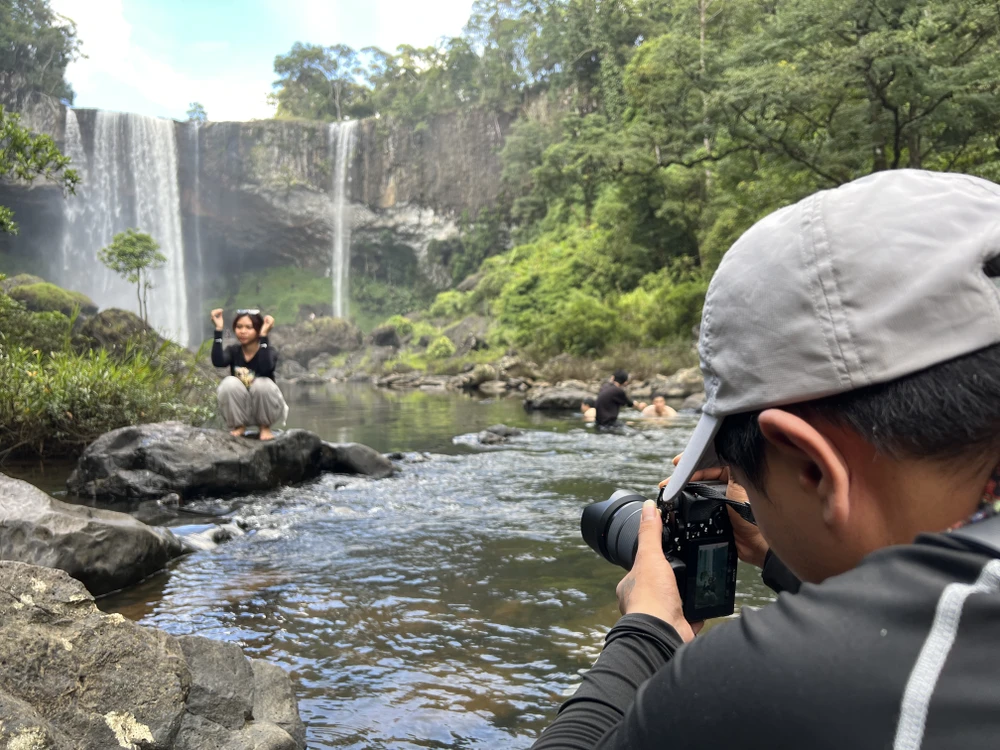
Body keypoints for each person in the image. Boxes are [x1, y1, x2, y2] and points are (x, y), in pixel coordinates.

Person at [532, 170, 1000, 749]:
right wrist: (774, 553)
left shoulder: (761, 682)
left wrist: (647, 631)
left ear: (812, 467)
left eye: (742, 473)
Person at [210, 307, 287, 441]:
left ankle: (265, 427)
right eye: (239, 327)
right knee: (229, 383)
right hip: (241, 410)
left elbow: (265, 368)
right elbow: (218, 362)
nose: (243, 331)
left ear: (257, 330)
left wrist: (264, 336)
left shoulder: (269, 352)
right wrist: (218, 329)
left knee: (262, 384)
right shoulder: (233, 351)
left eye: (248, 327)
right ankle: (238, 426)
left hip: (266, 409)